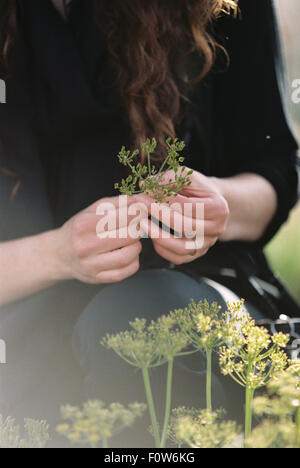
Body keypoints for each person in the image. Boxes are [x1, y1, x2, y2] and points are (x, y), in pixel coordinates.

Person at [0, 0, 299, 447]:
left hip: (194, 300)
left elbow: (276, 171)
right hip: (21, 334)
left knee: (143, 317)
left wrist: (219, 206)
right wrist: (59, 253)